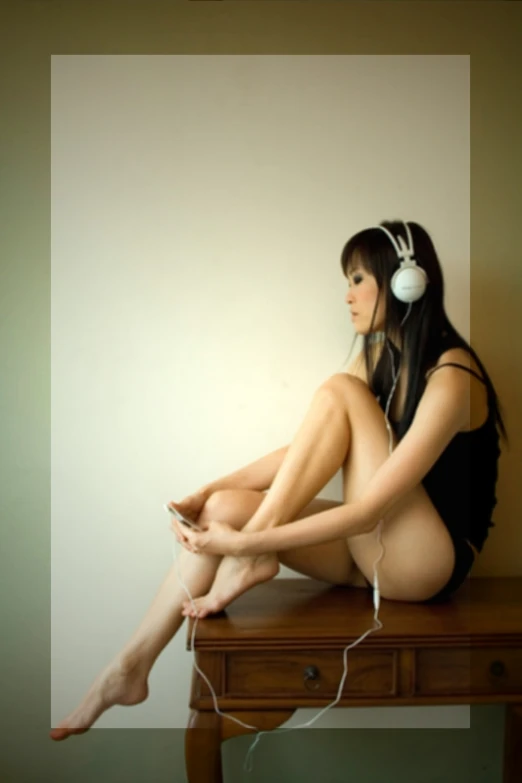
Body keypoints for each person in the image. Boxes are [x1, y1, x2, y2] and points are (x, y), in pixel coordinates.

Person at [50, 220, 506, 741]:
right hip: (375, 558)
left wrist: (250, 542)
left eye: (357, 279)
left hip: (428, 565)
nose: (347, 295)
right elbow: (305, 452)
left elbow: (369, 510)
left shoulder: (453, 374)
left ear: (407, 280)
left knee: (337, 393)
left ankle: (248, 559)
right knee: (223, 507)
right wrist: (206, 491)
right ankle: (130, 667)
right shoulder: (382, 362)